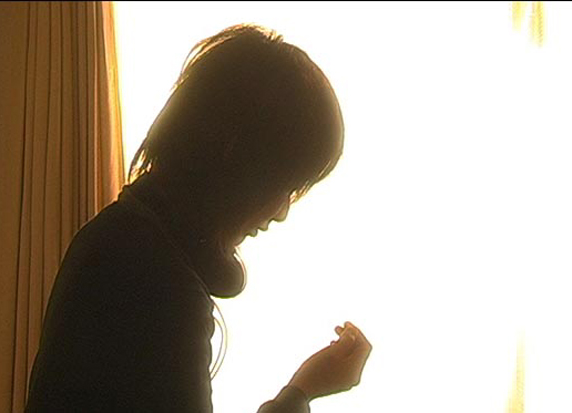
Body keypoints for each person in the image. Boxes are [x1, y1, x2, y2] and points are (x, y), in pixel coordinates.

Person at [25, 23, 371, 412]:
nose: (281, 212)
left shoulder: (119, 238)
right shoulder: (160, 288)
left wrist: (301, 389)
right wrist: (301, 393)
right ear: (235, 159)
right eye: (284, 187)